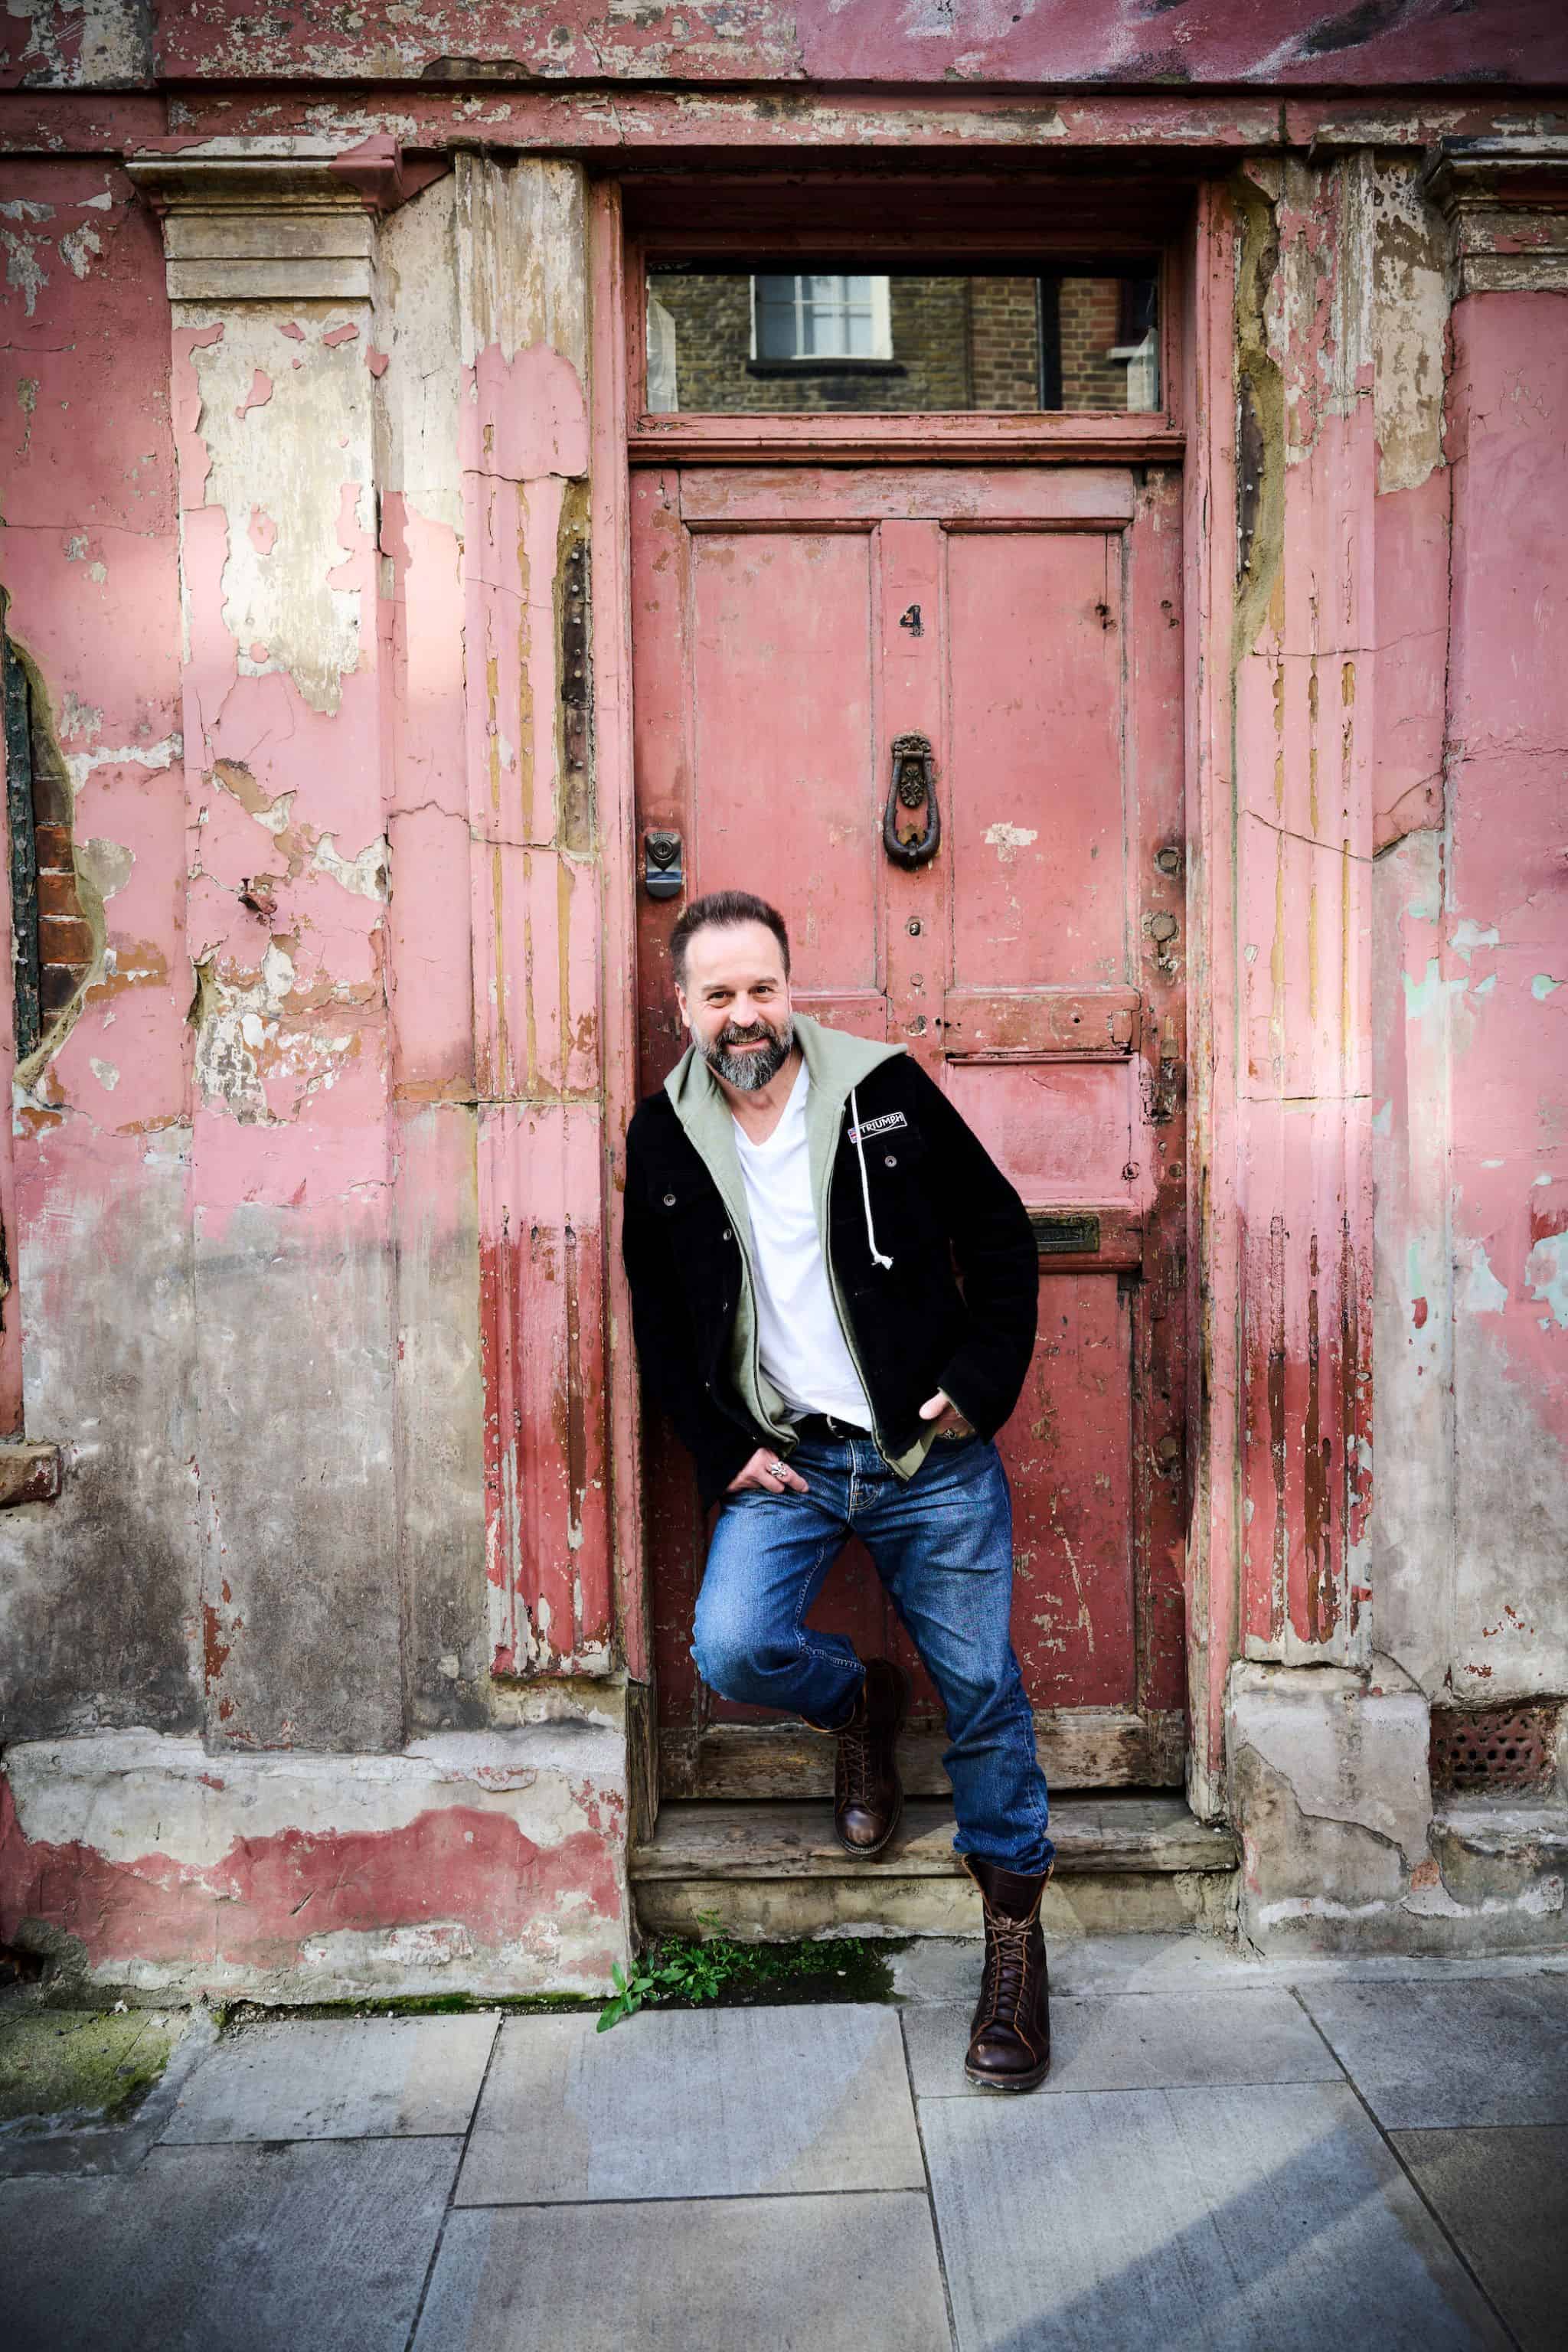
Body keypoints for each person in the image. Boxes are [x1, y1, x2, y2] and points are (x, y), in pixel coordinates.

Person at [622, 890, 1053, 2090]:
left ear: (790, 990)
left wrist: (977, 1383)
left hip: (928, 1458)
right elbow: (661, 1323)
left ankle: (1014, 1944)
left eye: (762, 988)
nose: (744, 1014)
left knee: (982, 1690)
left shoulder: (882, 1090)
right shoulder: (662, 1135)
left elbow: (1001, 1236)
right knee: (733, 1643)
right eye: (719, 994)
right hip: (793, 1460)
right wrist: (720, 1446)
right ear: (683, 1006)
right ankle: (860, 1704)